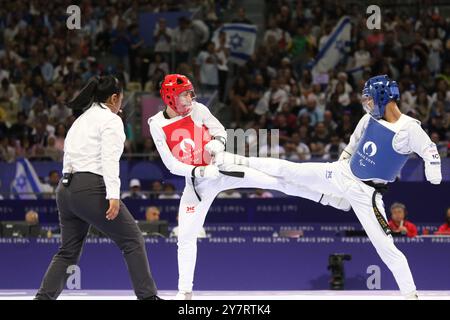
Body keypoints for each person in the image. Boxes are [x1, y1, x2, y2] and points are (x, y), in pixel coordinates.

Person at [215, 75, 442, 299]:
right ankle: (235, 161)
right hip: (342, 174)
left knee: (386, 248)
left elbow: (430, 151)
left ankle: (411, 295)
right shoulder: (368, 120)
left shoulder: (409, 128)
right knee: (289, 174)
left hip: (367, 194)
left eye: (370, 99)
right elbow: (352, 146)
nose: (367, 105)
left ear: (383, 97)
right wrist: (336, 177)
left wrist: (434, 173)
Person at [148, 74, 350, 300]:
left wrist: (217, 143)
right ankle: (184, 292)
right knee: (185, 237)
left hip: (223, 165)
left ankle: (329, 198)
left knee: (276, 182)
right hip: (197, 183)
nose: (189, 98)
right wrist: (200, 171)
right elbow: (171, 164)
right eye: (184, 94)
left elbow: (220, 131)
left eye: (189, 93)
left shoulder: (198, 109)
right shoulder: (157, 124)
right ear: (170, 97)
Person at [35, 76, 160, 300]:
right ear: (114, 98)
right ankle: (149, 298)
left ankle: (42, 299)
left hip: (65, 190)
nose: (121, 105)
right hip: (91, 188)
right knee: (132, 240)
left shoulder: (81, 119)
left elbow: (70, 157)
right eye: (121, 99)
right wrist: (113, 195)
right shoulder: (111, 121)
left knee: (67, 252)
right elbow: (109, 160)